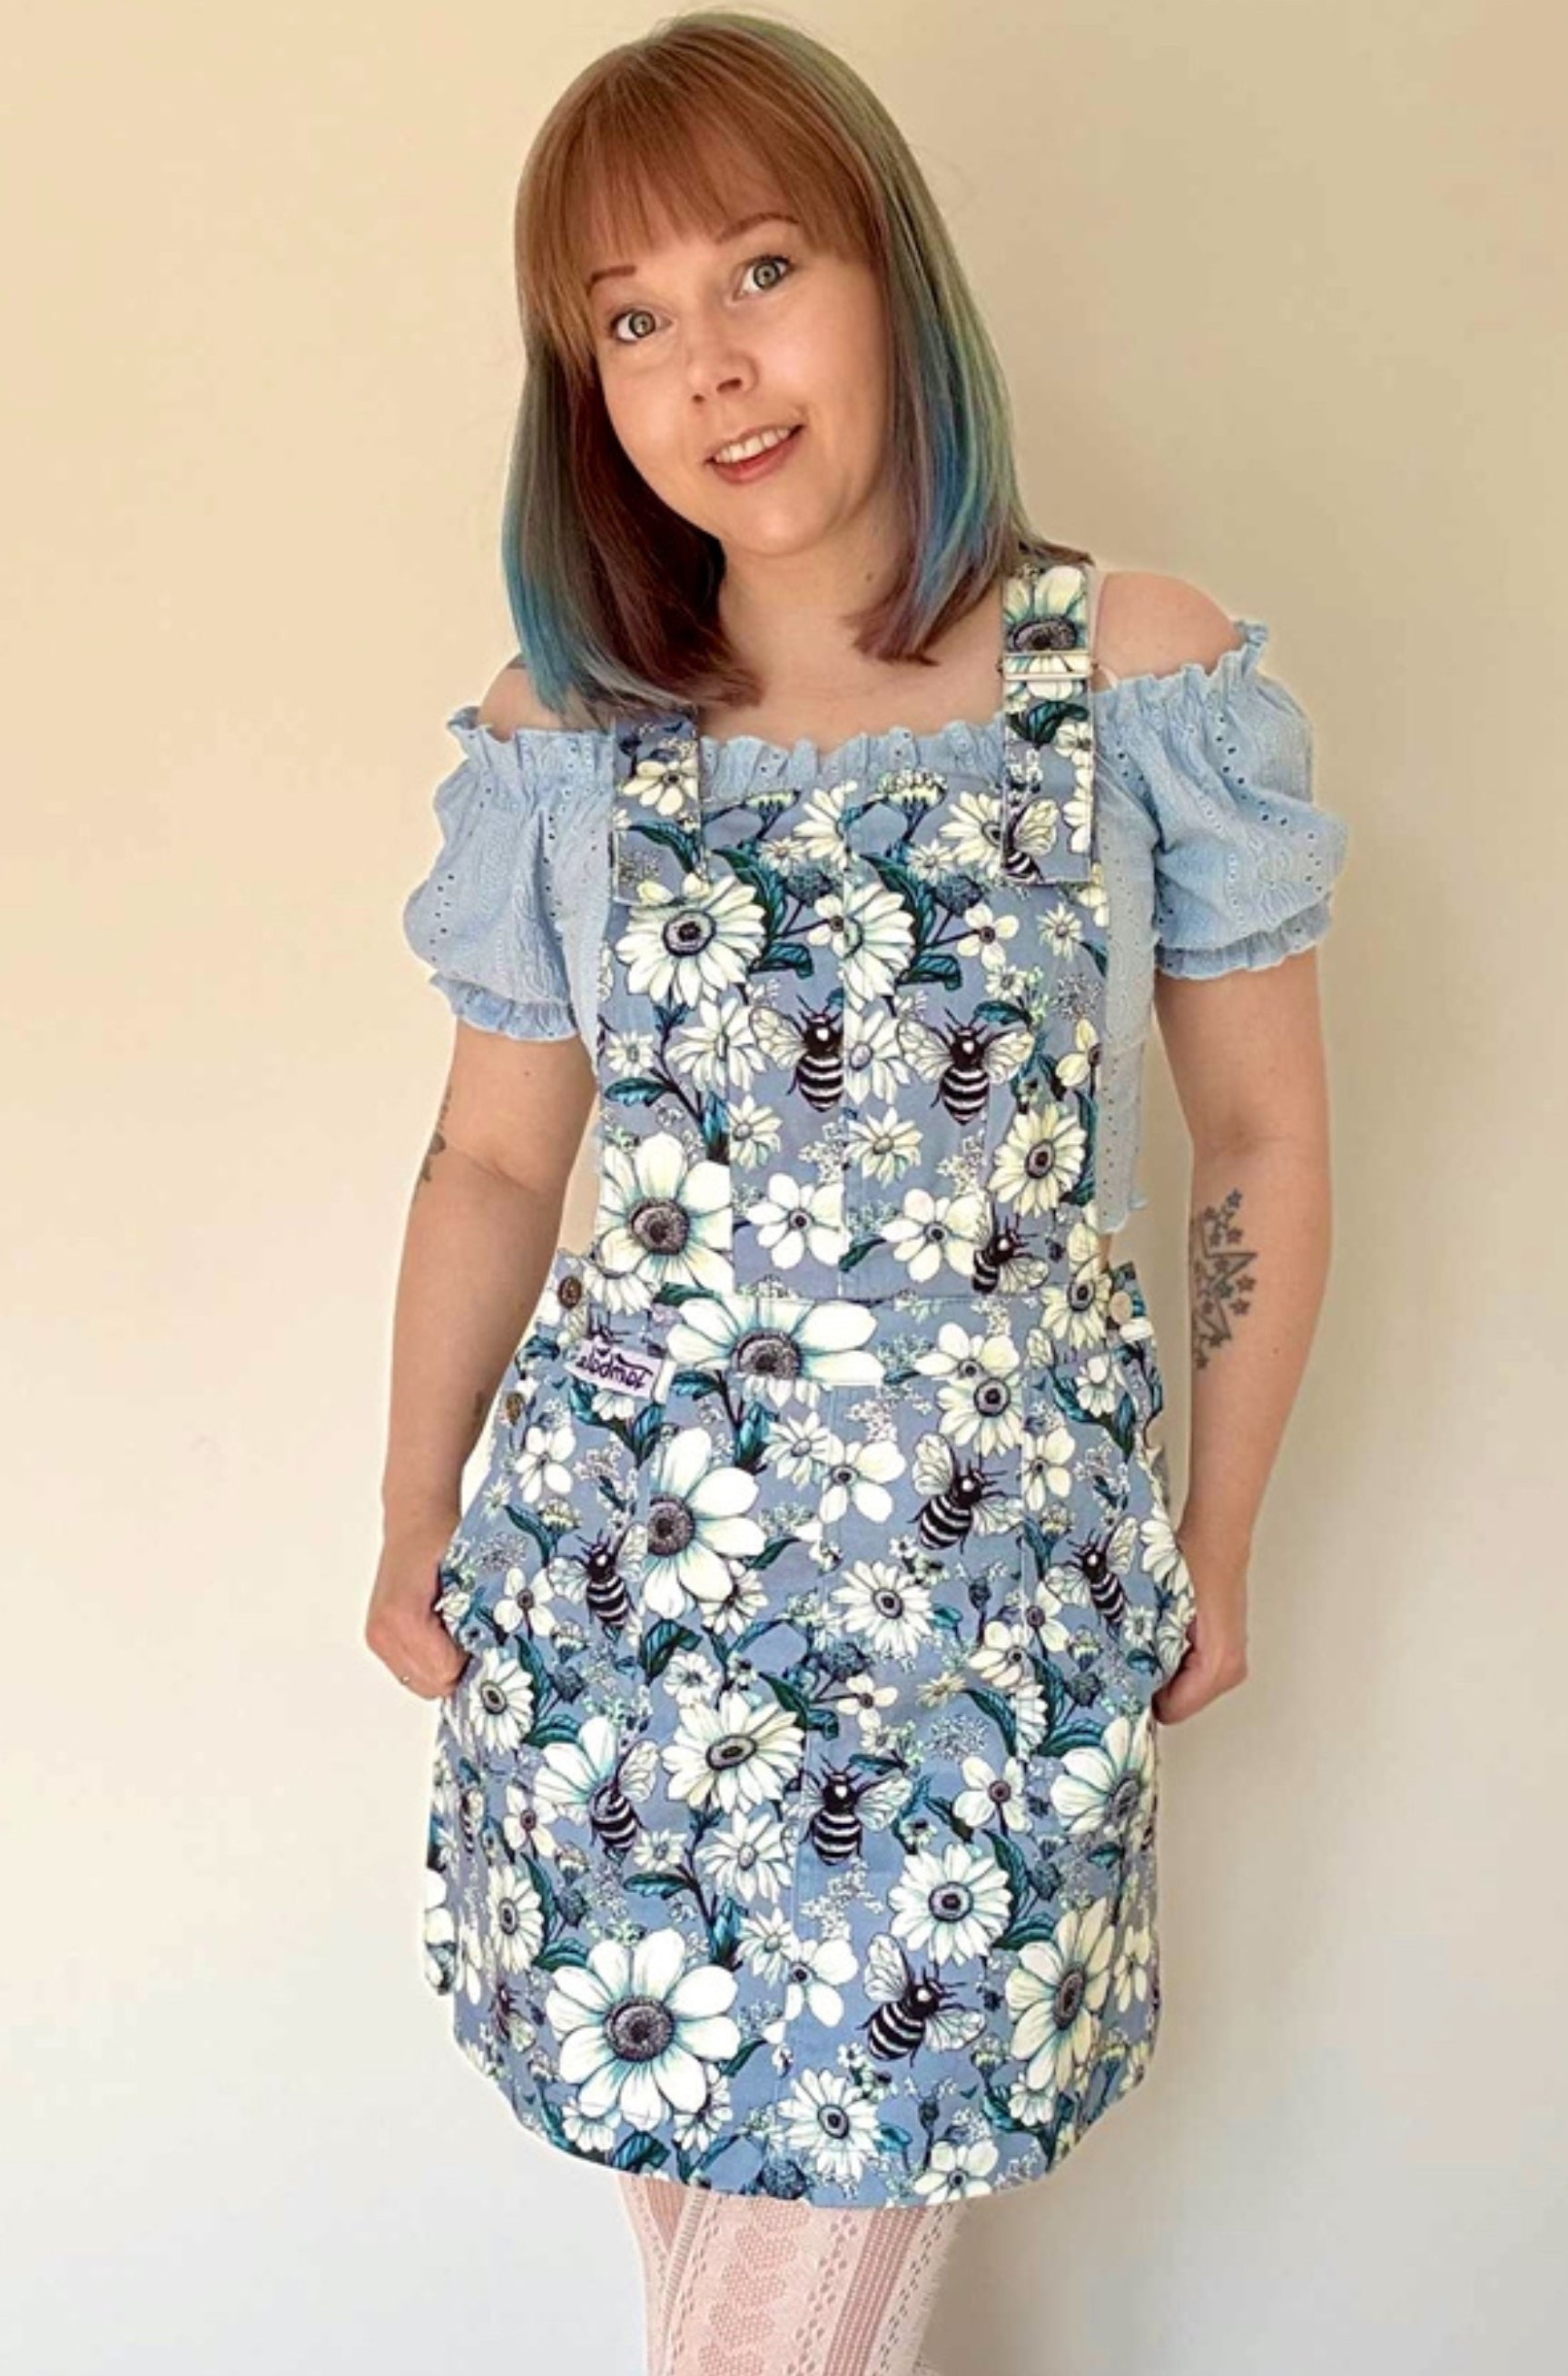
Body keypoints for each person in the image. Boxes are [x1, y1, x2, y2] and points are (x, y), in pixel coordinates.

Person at [365, 12, 1352, 2371]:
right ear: (579, 388)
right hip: (618, 1594)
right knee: (691, 2207)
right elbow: (498, 1145)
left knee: (777, 2311)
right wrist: (410, 1510)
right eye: (628, 318)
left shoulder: (1133, 677)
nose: (709, 360)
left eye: (761, 265)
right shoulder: (561, 735)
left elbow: (1260, 1134)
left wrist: (1211, 1535)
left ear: (891, 276)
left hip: (972, 1620)